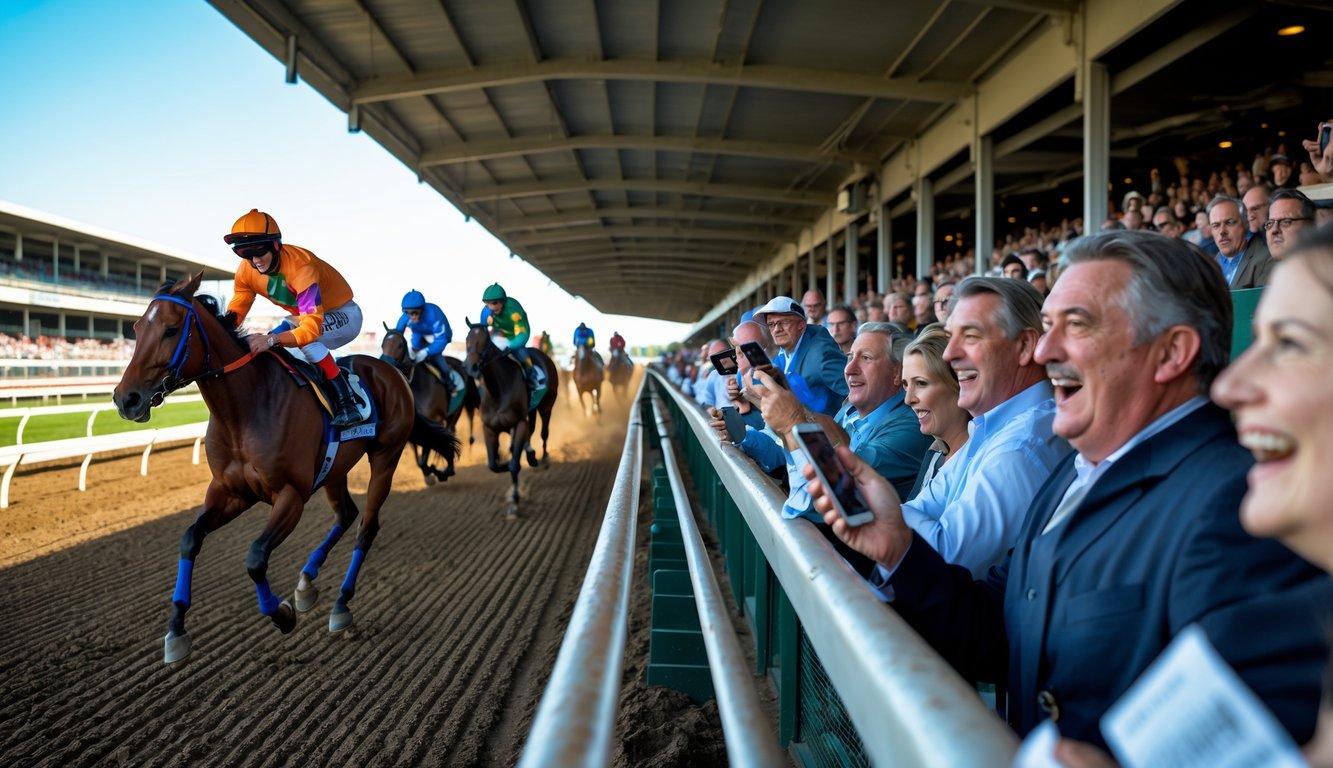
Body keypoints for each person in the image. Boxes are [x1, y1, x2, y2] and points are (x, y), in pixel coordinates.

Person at [809, 231, 1327, 753]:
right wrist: (896, 547)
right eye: (1048, 326)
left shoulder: (1239, 504)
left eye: (1076, 325)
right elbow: (999, 631)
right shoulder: (1074, 470)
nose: (1047, 349)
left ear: (1170, 353)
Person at [223, 208, 364, 426]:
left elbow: (311, 329)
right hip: (305, 318)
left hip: (344, 314)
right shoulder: (246, 271)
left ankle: (347, 403)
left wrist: (271, 339)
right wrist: (223, 331)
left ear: (276, 245)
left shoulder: (302, 267)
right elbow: (239, 303)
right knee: (275, 341)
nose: (255, 260)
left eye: (259, 252)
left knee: (304, 342)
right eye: (245, 254)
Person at [900, 325, 970, 500]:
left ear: (958, 384)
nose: (908, 399)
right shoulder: (936, 452)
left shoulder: (979, 462)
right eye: (906, 385)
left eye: (921, 383)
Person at [752, 296, 848, 417]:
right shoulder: (781, 356)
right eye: (771, 324)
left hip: (826, 433)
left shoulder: (821, 355)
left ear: (801, 326)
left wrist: (844, 427)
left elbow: (856, 391)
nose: (777, 329)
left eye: (784, 322)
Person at [479, 283, 543, 393]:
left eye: (495, 303)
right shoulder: (486, 313)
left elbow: (523, 334)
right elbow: (483, 332)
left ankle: (533, 377)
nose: (492, 307)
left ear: (503, 302)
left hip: (517, 335)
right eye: (488, 304)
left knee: (521, 354)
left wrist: (510, 346)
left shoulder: (513, 310)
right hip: (500, 334)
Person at [394, 289, 454, 396]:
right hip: (419, 333)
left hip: (439, 337)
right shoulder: (404, 318)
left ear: (422, 309)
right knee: (413, 351)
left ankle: (449, 380)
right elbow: (396, 337)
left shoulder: (434, 314)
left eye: (415, 312)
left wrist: (426, 352)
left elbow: (441, 340)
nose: (412, 316)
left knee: (435, 357)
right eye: (409, 313)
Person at [1208, 195, 1273, 289]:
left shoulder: (1266, 260)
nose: (1222, 231)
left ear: (1246, 225)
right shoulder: (1210, 265)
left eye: (1229, 222)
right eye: (1216, 225)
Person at [1265, 188, 1317, 261]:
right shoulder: (1267, 269)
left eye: (1285, 221)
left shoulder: (1324, 269)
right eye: (1270, 223)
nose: (1274, 230)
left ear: (1310, 226)